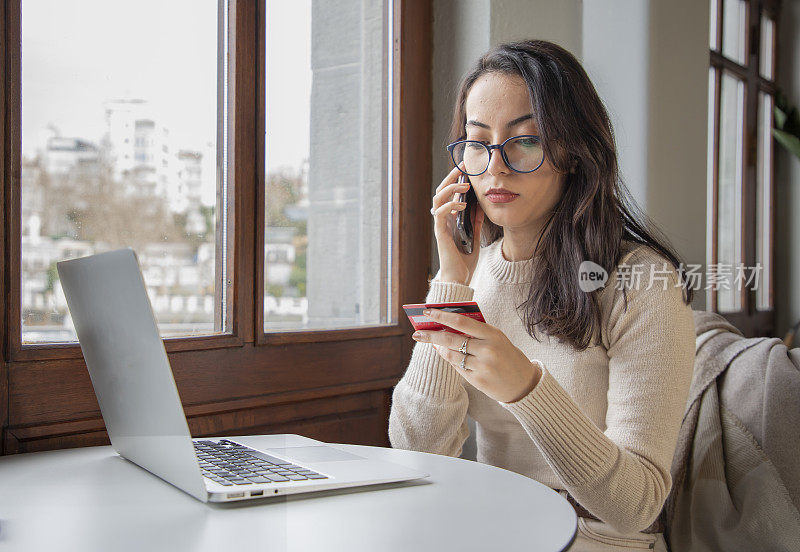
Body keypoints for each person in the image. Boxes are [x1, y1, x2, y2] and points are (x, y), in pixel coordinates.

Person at [388, 40, 696, 552]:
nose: (496, 167)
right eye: (477, 142)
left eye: (525, 141)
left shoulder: (642, 283)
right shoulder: (475, 274)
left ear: (573, 152)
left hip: (597, 540)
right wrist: (451, 281)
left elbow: (636, 506)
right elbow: (418, 451)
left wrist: (527, 388)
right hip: (489, 527)